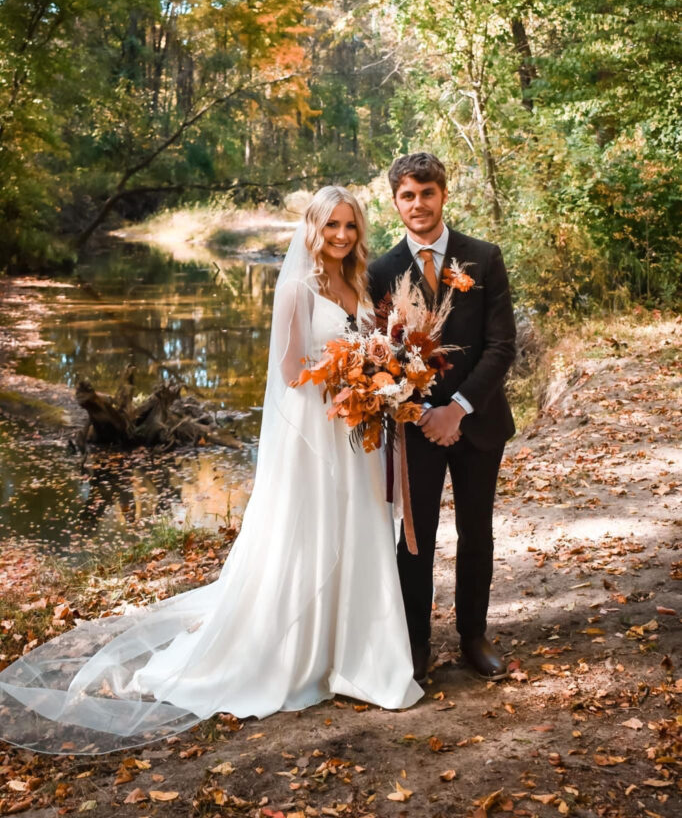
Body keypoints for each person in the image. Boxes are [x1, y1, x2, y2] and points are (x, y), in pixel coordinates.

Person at [0, 187, 422, 755]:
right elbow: (291, 368)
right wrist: (348, 378)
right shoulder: (298, 287)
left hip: (359, 436)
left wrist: (379, 379)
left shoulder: (360, 285)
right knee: (316, 537)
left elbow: (371, 346)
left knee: (361, 533)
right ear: (313, 230)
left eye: (349, 225)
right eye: (331, 227)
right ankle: (305, 656)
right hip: (320, 435)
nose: (341, 236)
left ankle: (361, 656)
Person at [368, 153, 516, 683]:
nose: (418, 204)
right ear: (395, 202)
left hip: (478, 421)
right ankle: (416, 647)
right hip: (417, 429)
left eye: (426, 193)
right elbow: (378, 357)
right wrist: (424, 411)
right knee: (416, 538)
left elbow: (501, 346)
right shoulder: (381, 271)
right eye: (407, 195)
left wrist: (458, 408)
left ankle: (474, 637)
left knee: (477, 531)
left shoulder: (483, 257)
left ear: (443, 195)